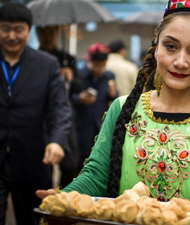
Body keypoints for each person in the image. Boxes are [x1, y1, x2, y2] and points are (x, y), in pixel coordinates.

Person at [37, 1, 190, 224]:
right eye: (171, 46)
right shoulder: (123, 109)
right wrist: (66, 199)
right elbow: (95, 175)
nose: (180, 62)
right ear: (156, 48)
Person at [0, 3, 71, 225]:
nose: (12, 36)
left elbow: (59, 107)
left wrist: (57, 141)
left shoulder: (47, 64)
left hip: (32, 158)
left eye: (18, 29)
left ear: (29, 30)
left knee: (32, 219)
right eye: (5, 28)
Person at [36, 25, 82, 188]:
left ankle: (65, 196)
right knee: (42, 167)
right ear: (37, 33)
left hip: (64, 116)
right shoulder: (34, 58)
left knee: (70, 165)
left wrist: (69, 76)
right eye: (43, 32)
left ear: (57, 33)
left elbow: (79, 86)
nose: (47, 36)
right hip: (40, 117)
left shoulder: (66, 58)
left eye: (51, 32)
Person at [74, 43, 117, 168]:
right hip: (81, 124)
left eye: (102, 66)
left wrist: (113, 94)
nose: (99, 69)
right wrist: (79, 98)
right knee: (80, 162)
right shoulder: (79, 75)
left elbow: (112, 97)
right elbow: (68, 97)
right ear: (89, 61)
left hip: (100, 124)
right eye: (96, 66)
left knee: (99, 159)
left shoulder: (109, 75)